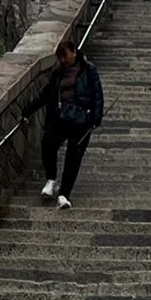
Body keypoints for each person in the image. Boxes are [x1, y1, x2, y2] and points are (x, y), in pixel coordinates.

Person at [25, 37, 103, 209]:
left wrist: (95, 119)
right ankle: (51, 179)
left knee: (73, 157)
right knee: (48, 142)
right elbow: (47, 94)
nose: (63, 61)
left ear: (74, 53)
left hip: (82, 120)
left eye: (65, 56)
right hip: (61, 117)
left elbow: (97, 94)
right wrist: (28, 111)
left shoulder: (88, 70)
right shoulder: (58, 73)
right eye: (60, 58)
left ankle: (64, 194)